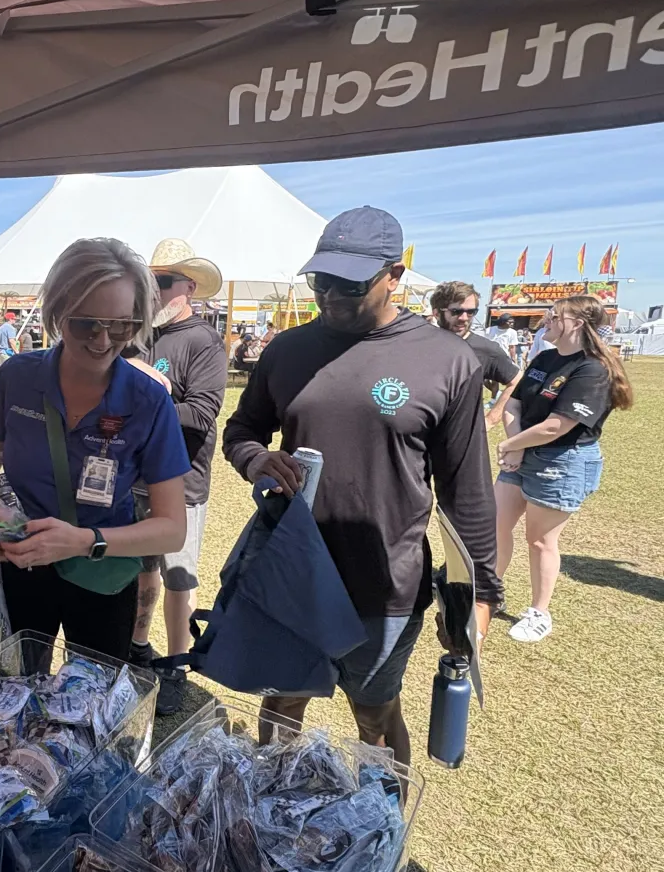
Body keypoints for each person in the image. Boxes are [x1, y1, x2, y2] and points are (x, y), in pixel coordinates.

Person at [222, 207, 501, 769]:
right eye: (320, 280)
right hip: (296, 570)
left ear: (394, 276)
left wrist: (479, 595)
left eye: (349, 284)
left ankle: (382, 814)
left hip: (386, 578)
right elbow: (241, 430)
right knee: (283, 702)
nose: (330, 296)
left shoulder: (447, 359)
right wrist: (256, 459)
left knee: (374, 715)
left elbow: (466, 489)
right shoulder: (287, 350)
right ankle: (269, 802)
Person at [0, 238, 190, 662]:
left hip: (104, 576)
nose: (103, 340)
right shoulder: (18, 378)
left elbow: (172, 528)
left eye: (121, 326)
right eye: (87, 324)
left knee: (93, 692)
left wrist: (85, 541)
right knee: (18, 683)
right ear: (58, 314)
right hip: (23, 566)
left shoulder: (148, 400)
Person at [125, 237, 227, 715]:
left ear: (190, 287)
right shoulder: (140, 336)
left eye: (163, 282)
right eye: (149, 281)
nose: (154, 291)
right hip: (135, 478)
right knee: (141, 568)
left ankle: (175, 665)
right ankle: (138, 648)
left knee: (178, 577)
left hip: (181, 483)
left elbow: (202, 416)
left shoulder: (203, 341)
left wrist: (155, 390)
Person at [494, 295, 633, 642]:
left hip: (561, 460)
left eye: (554, 316)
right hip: (523, 453)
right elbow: (513, 404)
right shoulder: (545, 357)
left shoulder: (593, 369)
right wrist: (516, 446)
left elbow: (558, 426)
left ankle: (539, 613)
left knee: (540, 540)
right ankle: (489, 592)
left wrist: (512, 446)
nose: (546, 321)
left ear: (577, 324)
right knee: (495, 525)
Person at [430, 281, 521, 430]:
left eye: (471, 312)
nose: (464, 318)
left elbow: (516, 381)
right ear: (436, 313)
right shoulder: (421, 343)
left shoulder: (486, 349)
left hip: (460, 435)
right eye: (456, 311)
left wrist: (490, 420)